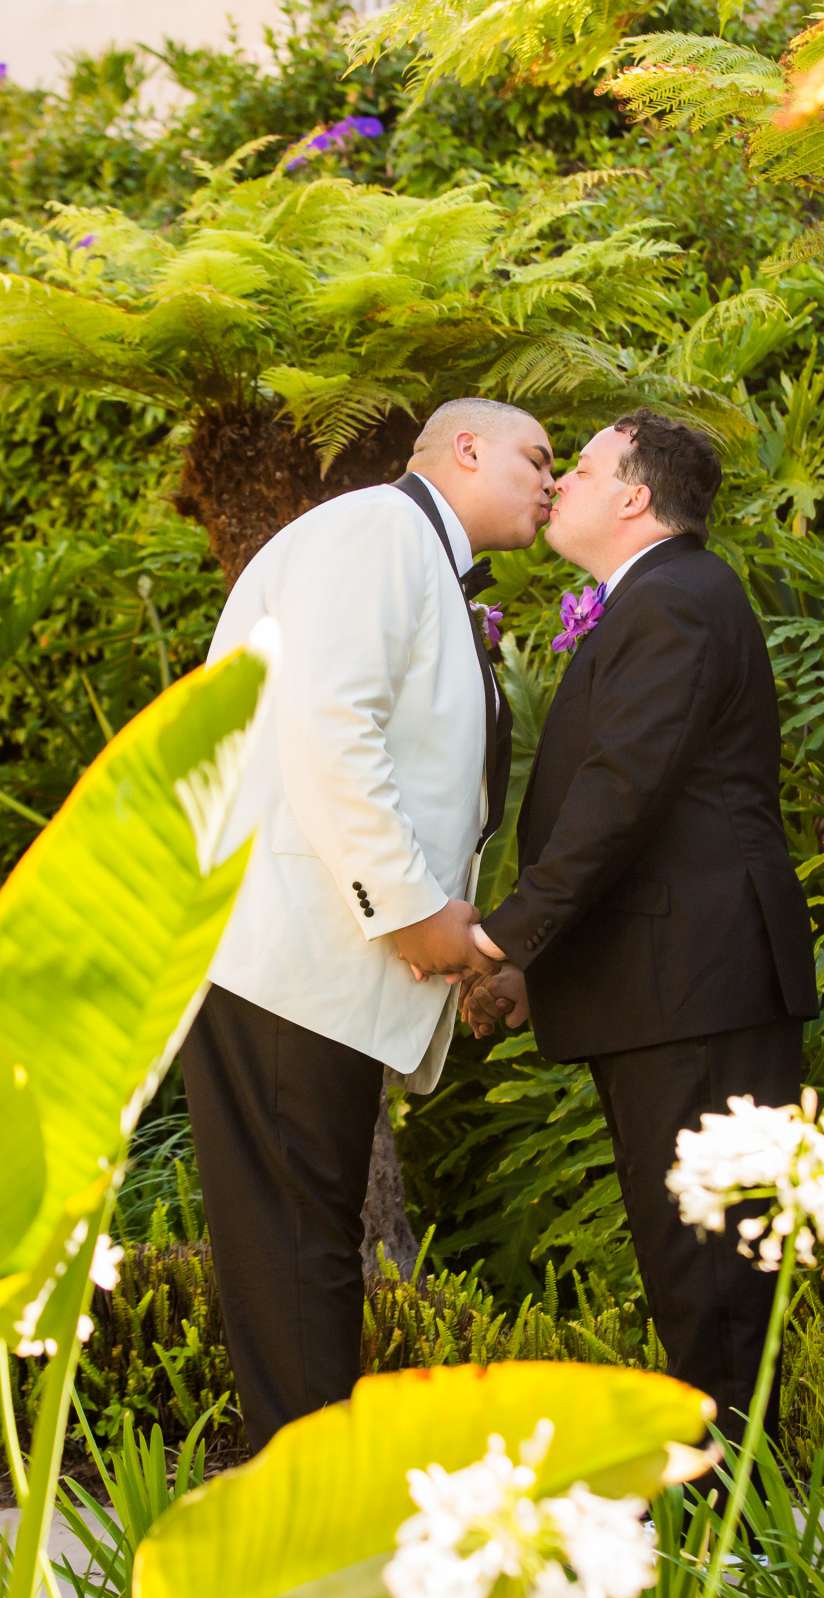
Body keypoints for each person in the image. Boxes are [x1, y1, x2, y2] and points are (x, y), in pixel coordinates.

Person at [180, 397, 552, 1447]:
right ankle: (308, 1525)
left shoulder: (399, 548)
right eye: (536, 457)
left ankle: (302, 1506)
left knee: (300, 1243)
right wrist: (411, 910)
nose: (551, 482)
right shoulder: (378, 531)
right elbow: (326, 718)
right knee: (298, 1245)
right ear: (463, 449)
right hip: (289, 957)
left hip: (301, 957)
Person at [462, 409, 818, 1423]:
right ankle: (727, 1514)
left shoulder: (678, 601)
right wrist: (539, 958)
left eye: (576, 469)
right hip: (673, 984)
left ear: (632, 496)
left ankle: (735, 1533)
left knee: (710, 1270)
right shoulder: (659, 599)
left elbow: (622, 791)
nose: (556, 486)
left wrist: (502, 936)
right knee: (692, 1265)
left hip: (696, 987)